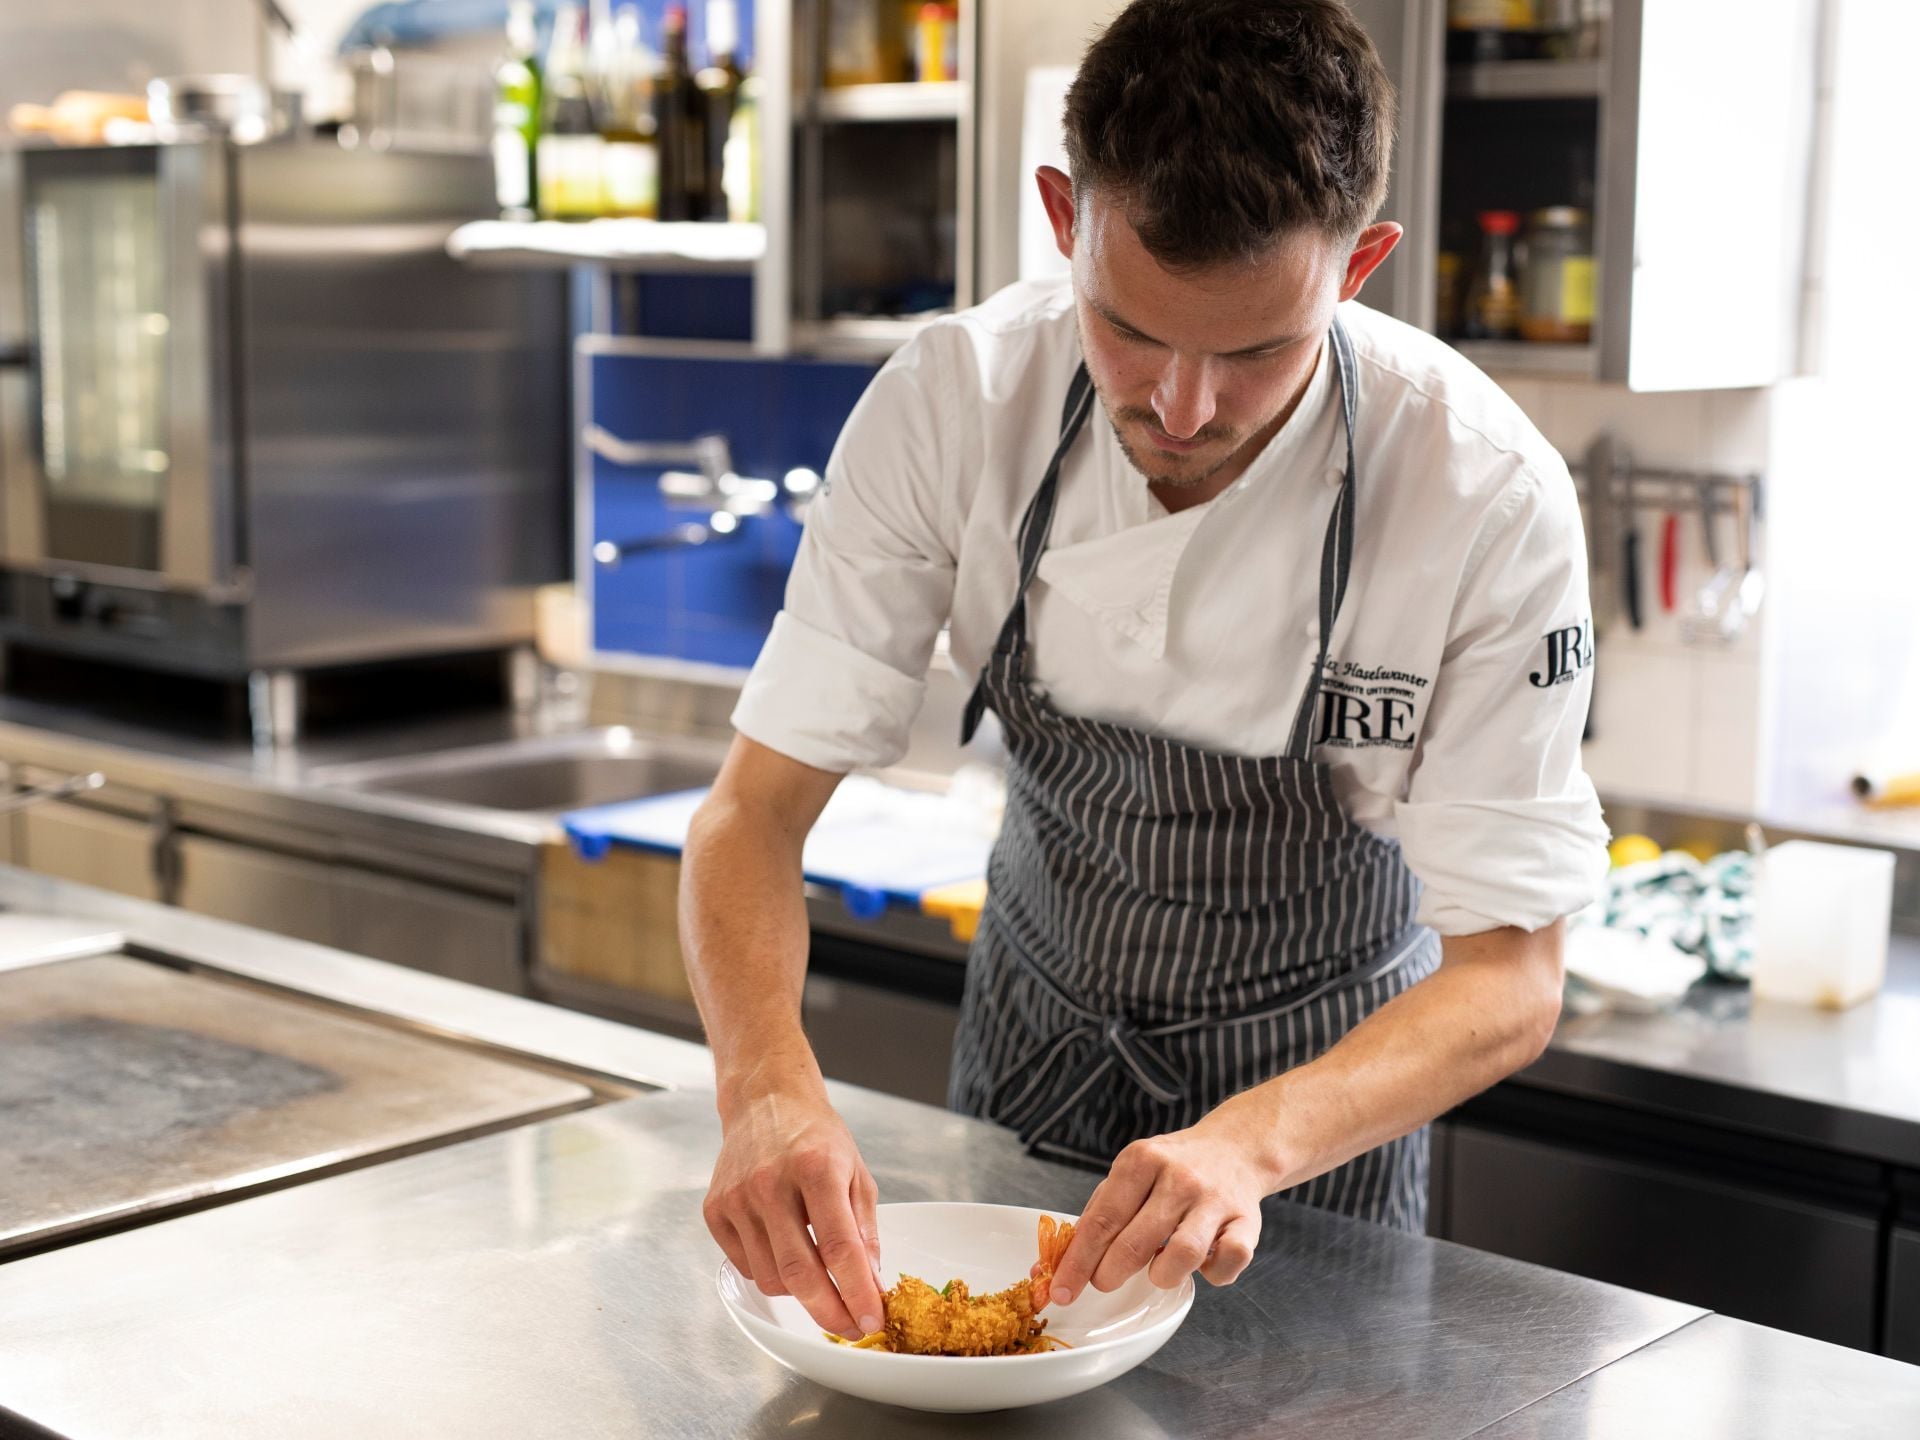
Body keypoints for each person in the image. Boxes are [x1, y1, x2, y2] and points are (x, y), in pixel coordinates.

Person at [685, 0, 1608, 1341]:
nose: (1182, 410)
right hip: (1026, 1079)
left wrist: (1246, 1145)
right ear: (1066, 218)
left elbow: (1513, 981)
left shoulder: (1480, 493)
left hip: (1311, 1157)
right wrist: (763, 1087)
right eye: (1127, 329)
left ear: (1361, 267)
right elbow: (750, 815)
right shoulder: (953, 404)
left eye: (1254, 352)